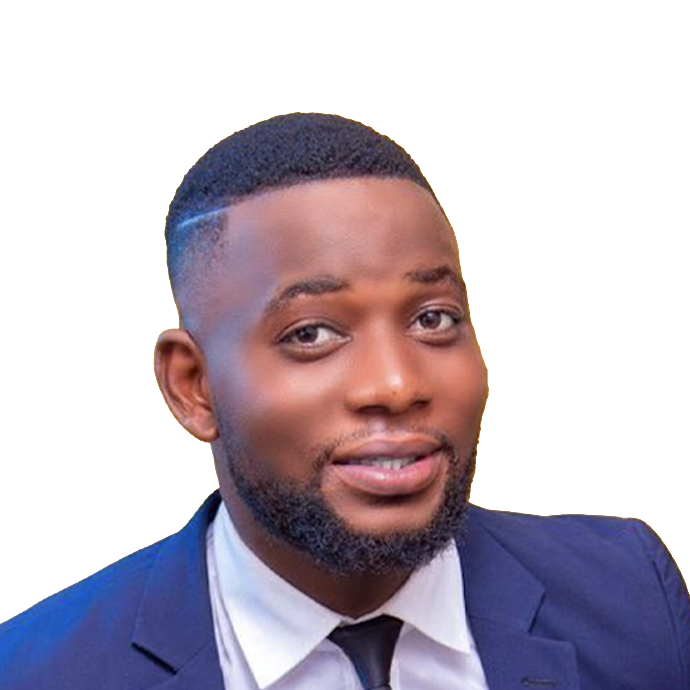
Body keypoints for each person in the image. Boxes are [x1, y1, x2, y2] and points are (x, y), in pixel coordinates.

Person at [0, 113, 688, 690]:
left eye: (433, 319)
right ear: (193, 386)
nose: (395, 384)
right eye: (312, 334)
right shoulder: (38, 672)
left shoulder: (632, 598)